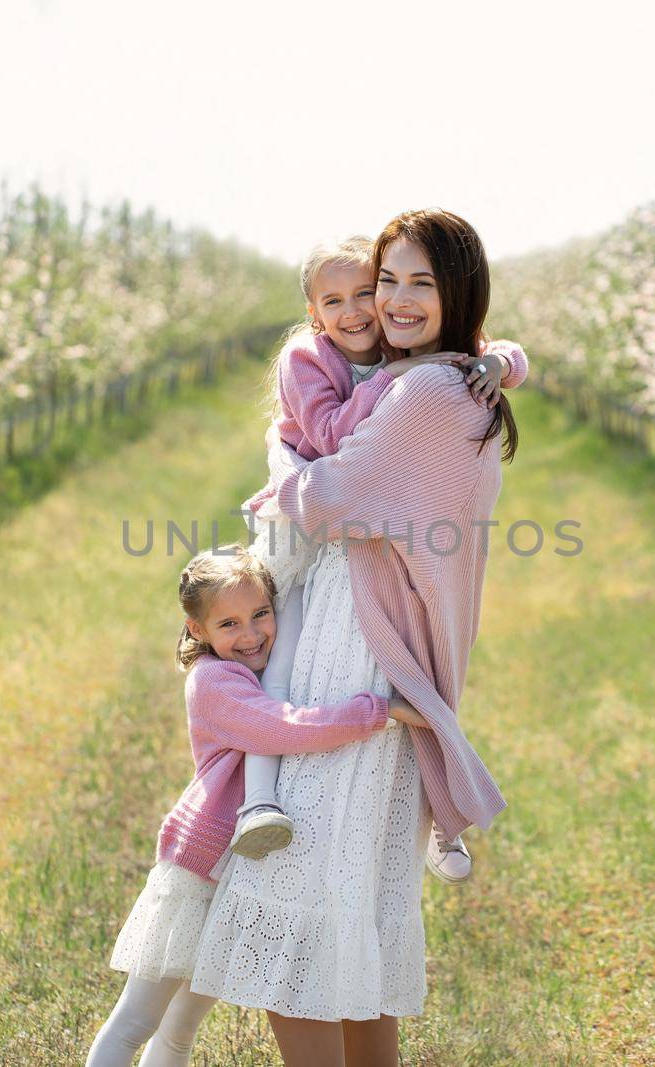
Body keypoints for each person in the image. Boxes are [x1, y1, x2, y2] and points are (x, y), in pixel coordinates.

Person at [189, 208, 520, 1066]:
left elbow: (326, 499)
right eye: (388, 282)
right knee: (358, 901)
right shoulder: (459, 383)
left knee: (289, 886)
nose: (398, 300)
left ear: (459, 292)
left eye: (422, 282)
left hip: (350, 648)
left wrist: (277, 452)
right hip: (366, 647)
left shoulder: (424, 394)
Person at [234, 234, 528, 886]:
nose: (363, 308)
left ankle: (442, 821)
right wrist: (392, 384)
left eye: (367, 290)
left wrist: (503, 365)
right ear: (313, 314)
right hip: (292, 517)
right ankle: (258, 796)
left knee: (397, 687)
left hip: (335, 515)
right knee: (273, 646)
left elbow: (491, 349)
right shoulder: (310, 357)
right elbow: (333, 436)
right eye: (335, 300)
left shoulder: (408, 360)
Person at [85, 546, 428, 1067]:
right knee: (137, 1020)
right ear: (196, 629)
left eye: (261, 614)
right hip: (200, 869)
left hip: (237, 876)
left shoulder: (246, 671)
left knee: (180, 1031)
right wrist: (375, 711)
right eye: (228, 623)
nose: (250, 635)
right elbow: (281, 726)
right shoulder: (215, 682)